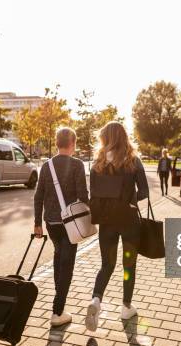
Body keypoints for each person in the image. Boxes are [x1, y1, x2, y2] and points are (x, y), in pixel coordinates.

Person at [86, 121, 149, 331]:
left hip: (106, 221)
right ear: (124, 137)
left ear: (105, 138)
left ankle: (96, 300)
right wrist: (130, 198)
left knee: (107, 265)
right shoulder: (133, 160)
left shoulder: (97, 163)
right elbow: (144, 192)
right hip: (129, 220)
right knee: (128, 266)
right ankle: (126, 306)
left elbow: (93, 193)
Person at [34, 127, 89, 327]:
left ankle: (59, 306)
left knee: (59, 257)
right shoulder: (77, 165)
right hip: (70, 224)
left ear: (57, 143)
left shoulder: (46, 165)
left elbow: (38, 196)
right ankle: (57, 312)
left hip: (51, 223)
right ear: (72, 143)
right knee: (67, 265)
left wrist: (37, 223)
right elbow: (83, 195)